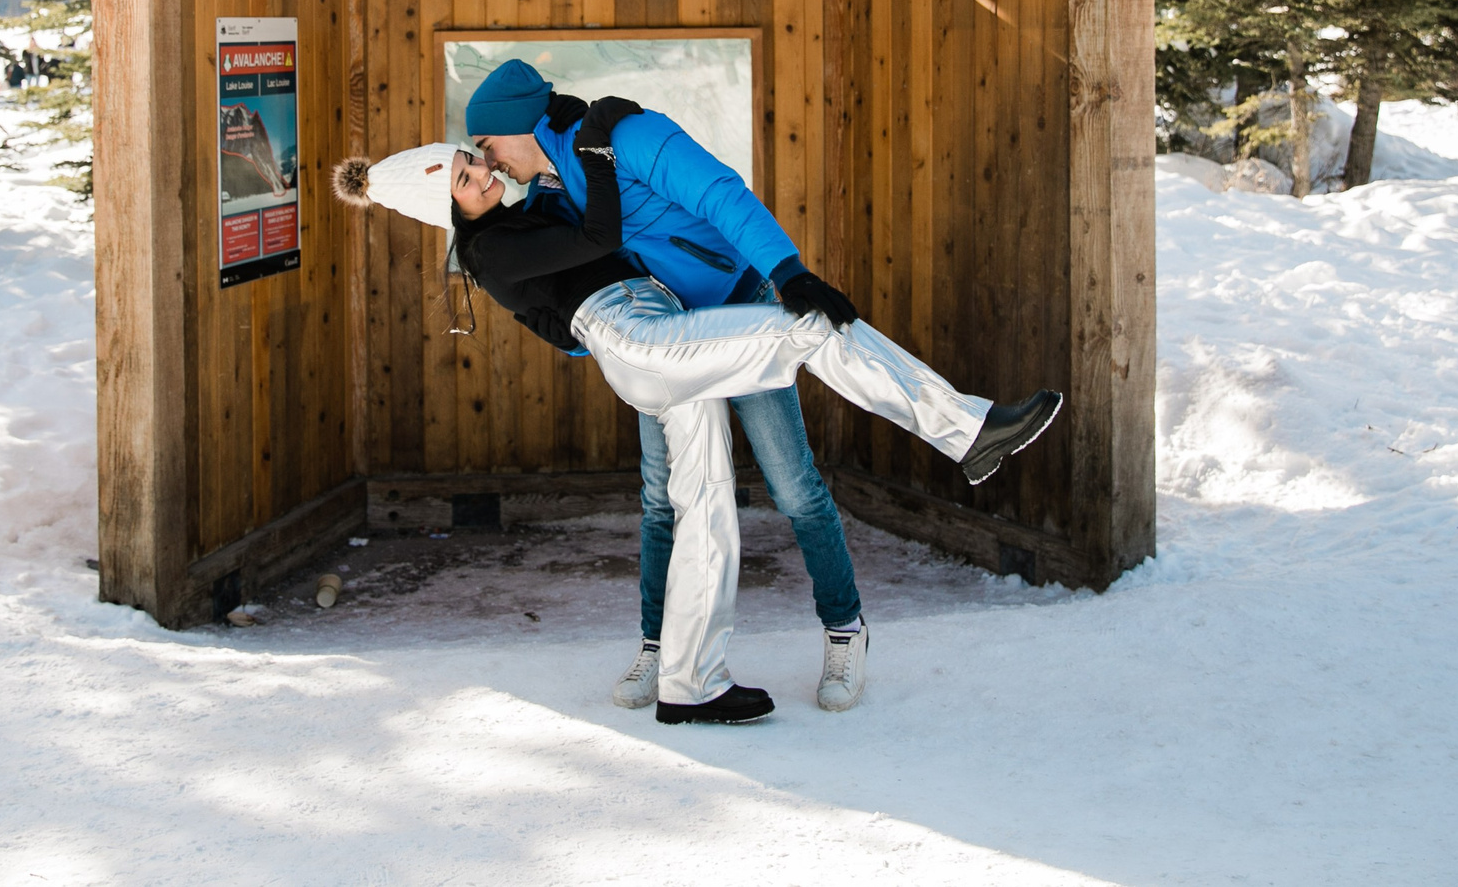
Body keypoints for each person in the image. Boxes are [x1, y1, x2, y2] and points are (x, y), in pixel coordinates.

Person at [334, 126, 1062, 727]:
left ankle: (692, 684)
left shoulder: (513, 218)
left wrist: (557, 173)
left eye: (473, 160)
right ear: (446, 208)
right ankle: (967, 430)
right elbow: (600, 235)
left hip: (659, 322)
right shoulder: (490, 248)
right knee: (806, 328)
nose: (484, 172)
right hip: (640, 338)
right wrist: (588, 159)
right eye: (466, 178)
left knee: (704, 501)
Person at [463, 58, 866, 713]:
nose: (489, 163)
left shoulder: (611, 142)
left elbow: (722, 195)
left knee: (793, 485)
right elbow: (575, 282)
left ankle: (845, 628)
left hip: (742, 303)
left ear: (517, 126)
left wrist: (786, 271)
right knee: (661, 497)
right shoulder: (548, 196)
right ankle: (658, 645)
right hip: (672, 331)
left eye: (487, 146)